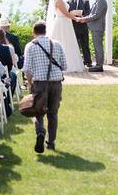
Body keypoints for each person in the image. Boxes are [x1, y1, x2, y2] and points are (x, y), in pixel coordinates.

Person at [23, 21, 67, 153]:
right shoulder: (57, 44)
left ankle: (40, 132)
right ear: (45, 31)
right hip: (56, 83)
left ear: (33, 32)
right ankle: (51, 142)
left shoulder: (30, 46)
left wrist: (30, 84)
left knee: (38, 111)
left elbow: (27, 70)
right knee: (53, 114)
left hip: (40, 83)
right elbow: (64, 66)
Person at [42, 0, 86, 73]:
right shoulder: (58, 1)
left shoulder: (61, 0)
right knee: (63, 41)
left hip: (65, 22)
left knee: (68, 41)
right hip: (62, 22)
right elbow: (65, 13)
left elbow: (67, 13)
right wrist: (76, 19)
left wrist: (73, 14)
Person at [74, 0, 108, 72]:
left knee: (98, 47)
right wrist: (83, 18)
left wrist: (84, 19)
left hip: (97, 28)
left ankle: (99, 66)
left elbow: (96, 15)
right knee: (97, 47)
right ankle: (98, 65)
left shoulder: (102, 1)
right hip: (95, 27)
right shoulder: (98, 0)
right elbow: (91, 14)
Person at [67, 0, 92, 68]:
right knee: (74, 45)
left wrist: (82, 17)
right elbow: (67, 14)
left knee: (85, 45)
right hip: (73, 27)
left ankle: (88, 61)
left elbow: (88, 13)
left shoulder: (85, 1)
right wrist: (73, 15)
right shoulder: (68, 2)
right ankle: (76, 62)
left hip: (83, 26)